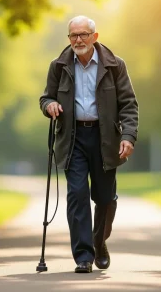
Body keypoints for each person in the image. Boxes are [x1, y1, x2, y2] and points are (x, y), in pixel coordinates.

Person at [39, 15, 139, 273]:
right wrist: (49, 104)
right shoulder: (59, 66)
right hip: (73, 139)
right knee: (77, 195)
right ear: (69, 38)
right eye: (73, 35)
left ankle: (99, 241)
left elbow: (128, 104)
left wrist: (128, 136)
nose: (78, 40)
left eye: (83, 34)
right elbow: (46, 97)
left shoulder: (115, 65)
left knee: (105, 198)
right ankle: (84, 255)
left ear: (95, 37)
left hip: (105, 138)